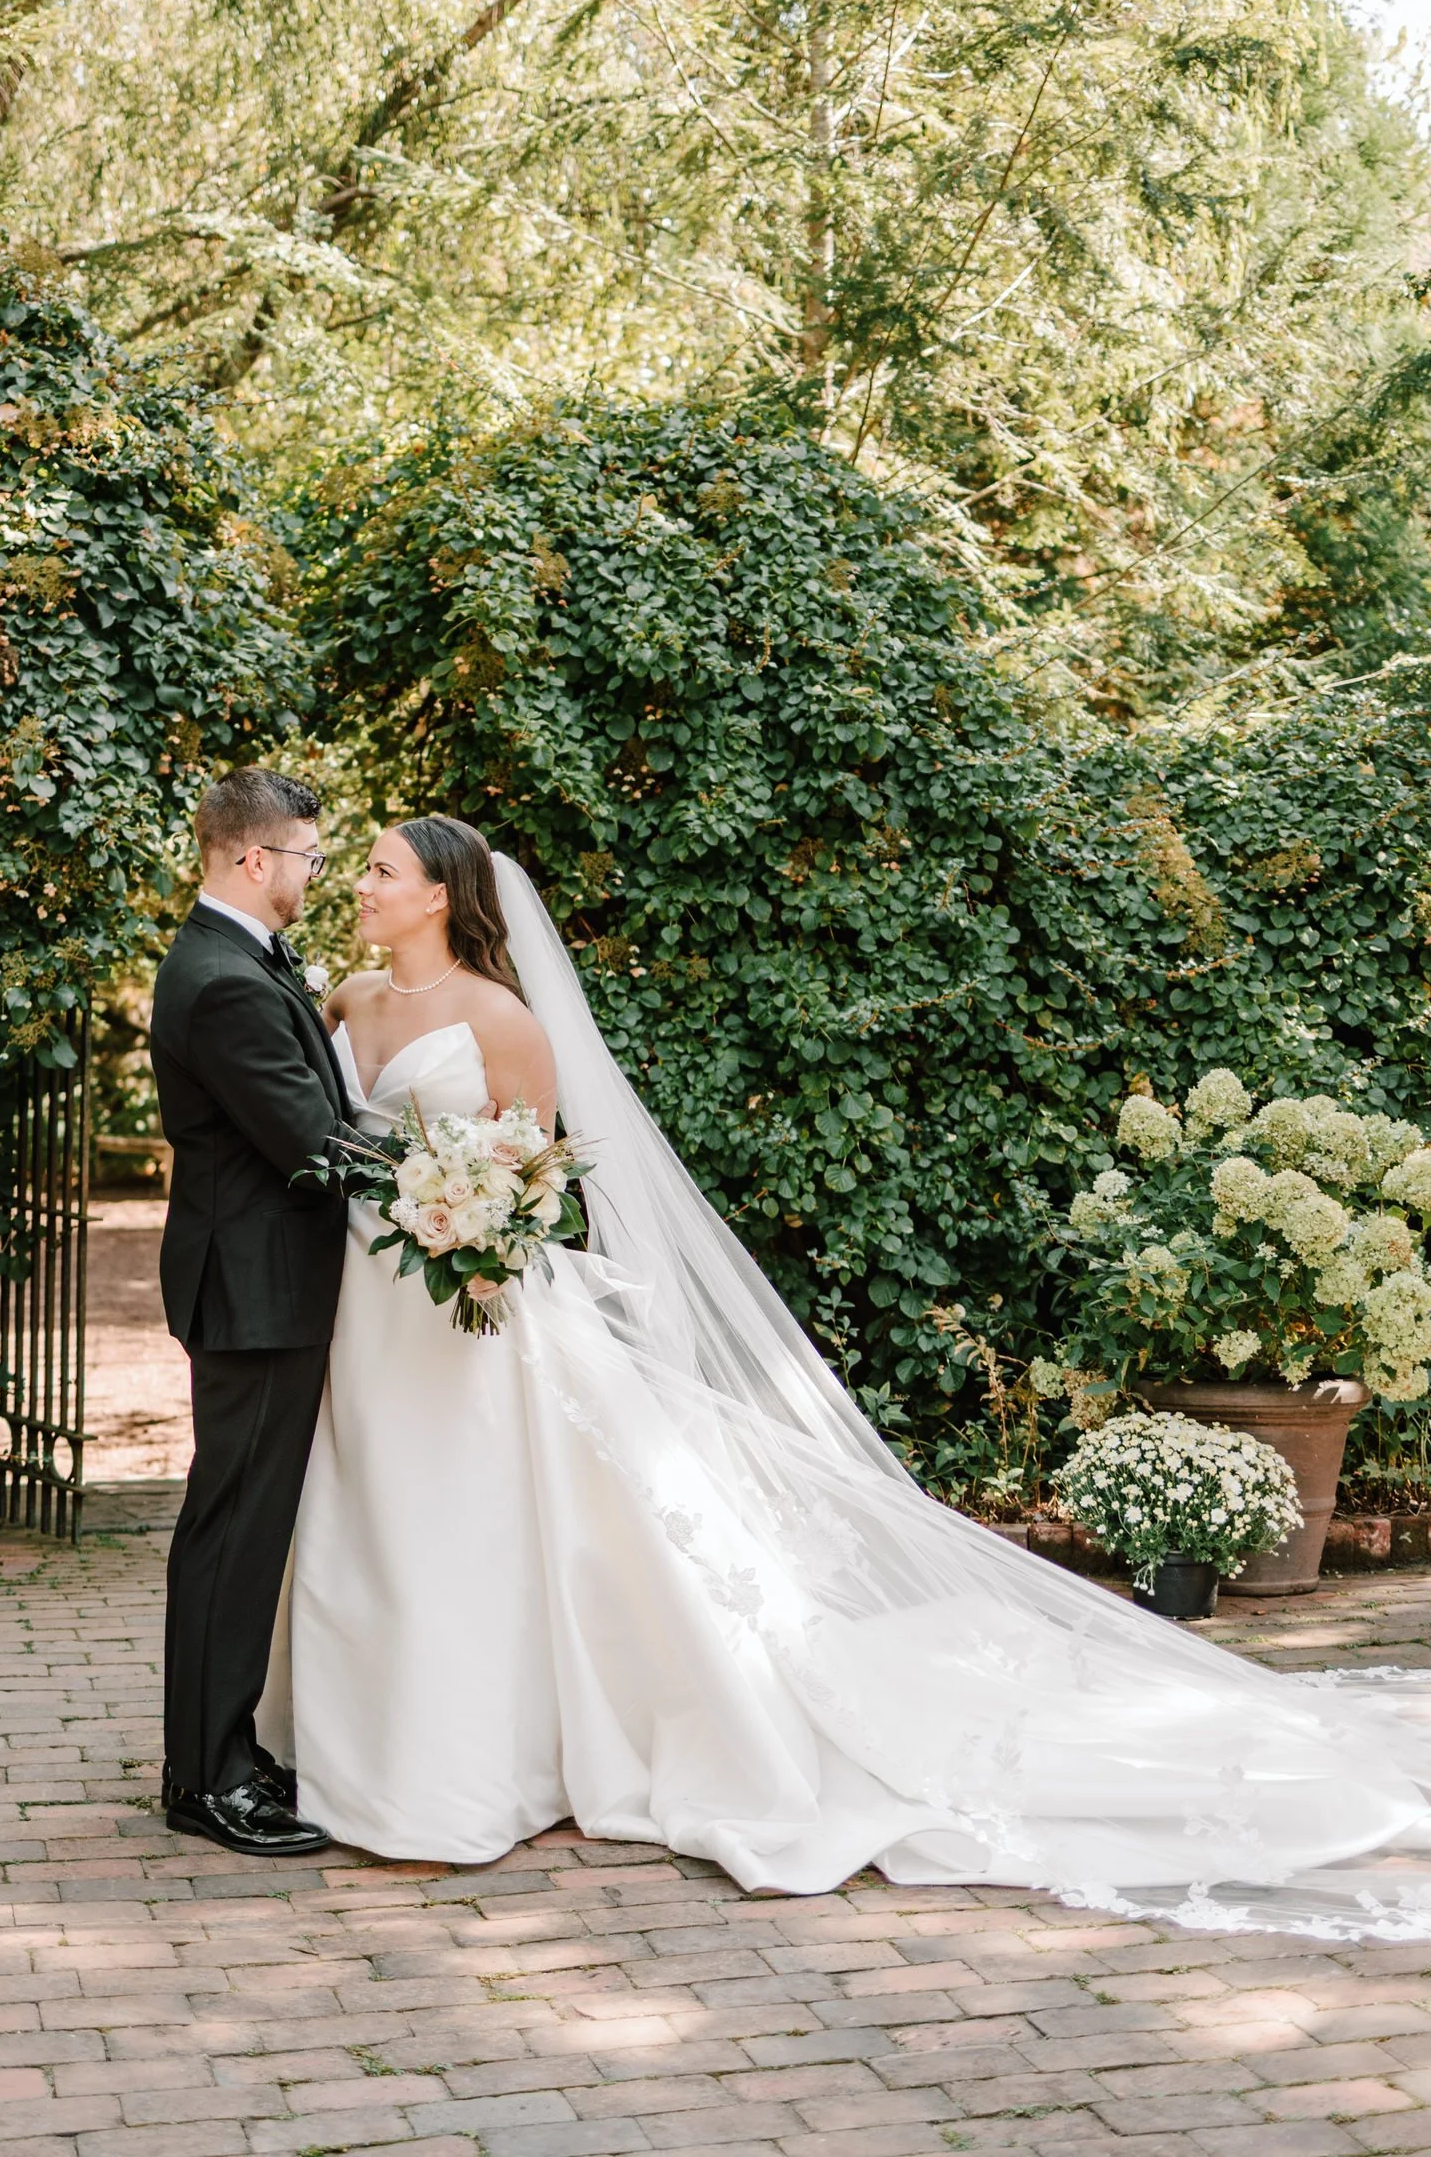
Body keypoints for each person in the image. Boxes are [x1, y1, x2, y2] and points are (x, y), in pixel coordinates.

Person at [261, 813, 1431, 1938]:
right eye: (359, 869)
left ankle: (463, 1770)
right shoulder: (347, 999)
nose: (361, 886)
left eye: (379, 870)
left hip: (471, 1308)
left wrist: (478, 1233)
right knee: (370, 1511)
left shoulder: (503, 1019)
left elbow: (539, 1173)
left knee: (463, 1523)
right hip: (367, 1301)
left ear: (438, 897)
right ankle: (357, 1749)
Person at [150, 767, 348, 1858]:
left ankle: (215, 1752)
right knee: (232, 1535)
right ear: (255, 859)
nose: (317, 876)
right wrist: (468, 1176)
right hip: (258, 1293)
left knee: (236, 1528)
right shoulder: (222, 979)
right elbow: (311, 1139)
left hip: (263, 1285)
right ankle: (208, 1780)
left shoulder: (233, 957)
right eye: (311, 857)